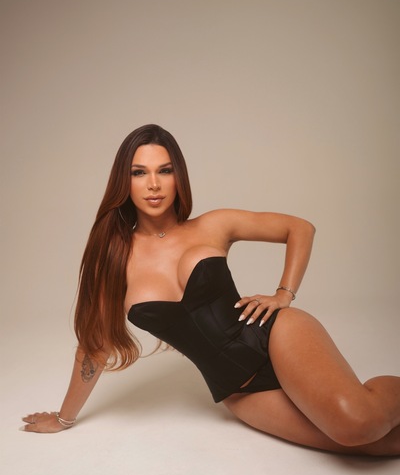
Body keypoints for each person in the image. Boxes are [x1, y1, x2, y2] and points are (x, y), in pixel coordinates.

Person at [21, 124, 400, 456]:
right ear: (125, 181)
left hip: (276, 336)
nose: (153, 184)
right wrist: (64, 418)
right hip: (239, 392)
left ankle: (367, 399)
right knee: (376, 446)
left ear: (178, 176)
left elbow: (300, 228)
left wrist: (284, 293)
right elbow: (95, 345)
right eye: (139, 172)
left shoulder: (213, 225)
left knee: (358, 424)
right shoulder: (113, 260)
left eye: (164, 170)